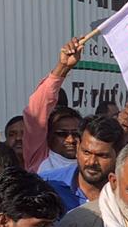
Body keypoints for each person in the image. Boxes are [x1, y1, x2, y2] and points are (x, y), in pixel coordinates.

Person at [23, 37, 87, 177]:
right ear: (48, 135)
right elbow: (37, 108)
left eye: (76, 134)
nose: (70, 140)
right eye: (62, 134)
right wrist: (63, 66)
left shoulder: (91, 165)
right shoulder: (39, 158)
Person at [46, 114, 125, 214]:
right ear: (78, 146)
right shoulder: (47, 184)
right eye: (86, 152)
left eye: (102, 155)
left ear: (118, 155)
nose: (92, 162)